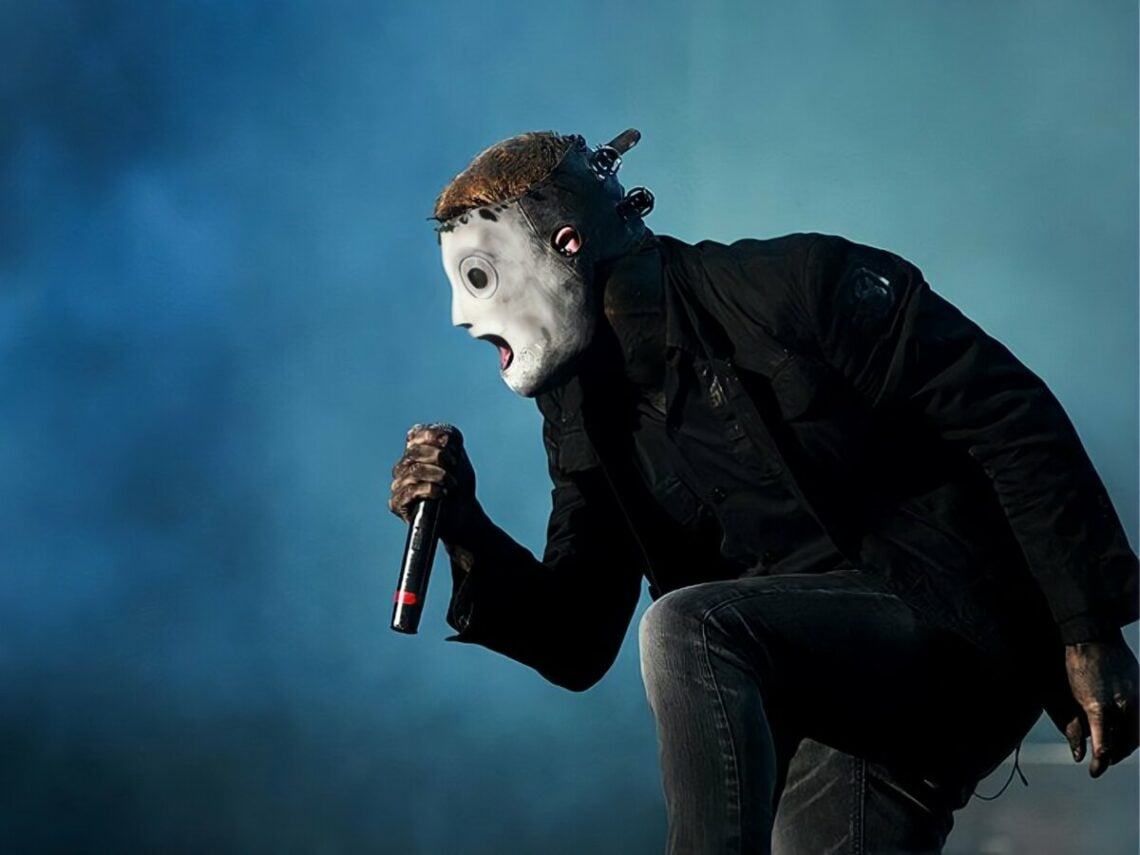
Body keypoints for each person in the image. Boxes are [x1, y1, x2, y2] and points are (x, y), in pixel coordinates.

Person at [388, 129, 1138, 854]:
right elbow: (579, 639)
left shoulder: (791, 289)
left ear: (567, 246)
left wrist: (1088, 625)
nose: (462, 314)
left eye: (479, 278)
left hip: (951, 621)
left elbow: (1007, 413)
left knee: (688, 625)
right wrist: (467, 527)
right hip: (833, 699)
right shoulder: (584, 415)